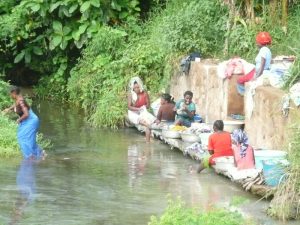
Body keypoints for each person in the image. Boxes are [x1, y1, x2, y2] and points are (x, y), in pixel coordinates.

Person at [3, 86, 44, 160]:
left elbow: (26, 114)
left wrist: (18, 120)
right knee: (27, 138)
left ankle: (30, 157)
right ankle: (40, 154)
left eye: (10, 94)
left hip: (31, 120)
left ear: (14, 93)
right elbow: (16, 105)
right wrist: (8, 109)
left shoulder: (21, 100)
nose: (10, 95)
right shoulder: (18, 99)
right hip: (27, 120)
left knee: (23, 138)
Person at [127, 77, 156, 142]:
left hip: (142, 111)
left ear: (140, 86)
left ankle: (148, 141)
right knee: (147, 124)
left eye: (138, 87)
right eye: (135, 88)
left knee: (151, 122)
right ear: (133, 88)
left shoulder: (145, 93)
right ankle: (148, 143)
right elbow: (129, 107)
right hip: (133, 113)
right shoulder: (131, 94)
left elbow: (148, 106)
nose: (136, 89)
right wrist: (138, 109)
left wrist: (143, 107)